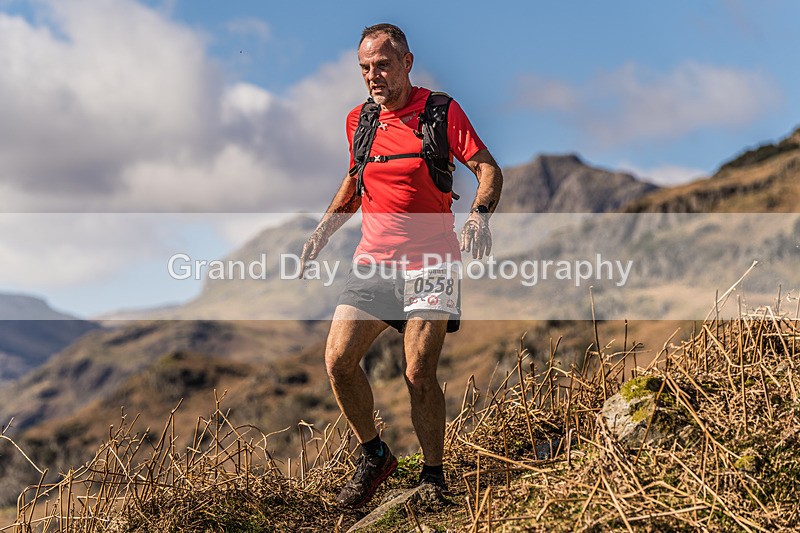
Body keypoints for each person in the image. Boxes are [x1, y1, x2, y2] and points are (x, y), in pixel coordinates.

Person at [299, 23, 503, 509]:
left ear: (407, 63)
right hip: (374, 262)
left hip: (432, 262)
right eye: (366, 68)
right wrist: (323, 231)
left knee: (417, 371)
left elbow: (488, 168)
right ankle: (375, 456)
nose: (373, 75)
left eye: (383, 65)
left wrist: (479, 215)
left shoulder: (440, 111)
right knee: (338, 361)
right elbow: (355, 181)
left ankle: (433, 477)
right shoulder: (359, 121)